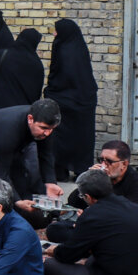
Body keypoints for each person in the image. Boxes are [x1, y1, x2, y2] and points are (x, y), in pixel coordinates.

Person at [44, 169, 138, 275]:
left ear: (88, 197)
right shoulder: (130, 205)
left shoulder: (92, 214)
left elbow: (68, 255)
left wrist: (54, 250)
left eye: (82, 196)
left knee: (49, 265)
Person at [0, 99, 63, 206]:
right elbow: (1, 172)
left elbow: (46, 155)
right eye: (43, 128)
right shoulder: (10, 129)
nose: (47, 133)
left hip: (12, 143)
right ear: (30, 119)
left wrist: (50, 182)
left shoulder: (45, 127)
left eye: (51, 129)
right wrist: (17, 201)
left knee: (20, 180)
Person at [44, 18, 97, 179]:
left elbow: (60, 77)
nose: (54, 34)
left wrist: (50, 91)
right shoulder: (79, 48)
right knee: (82, 137)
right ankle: (81, 169)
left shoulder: (63, 49)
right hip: (84, 100)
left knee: (60, 138)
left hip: (63, 99)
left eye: (56, 31)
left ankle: (60, 171)